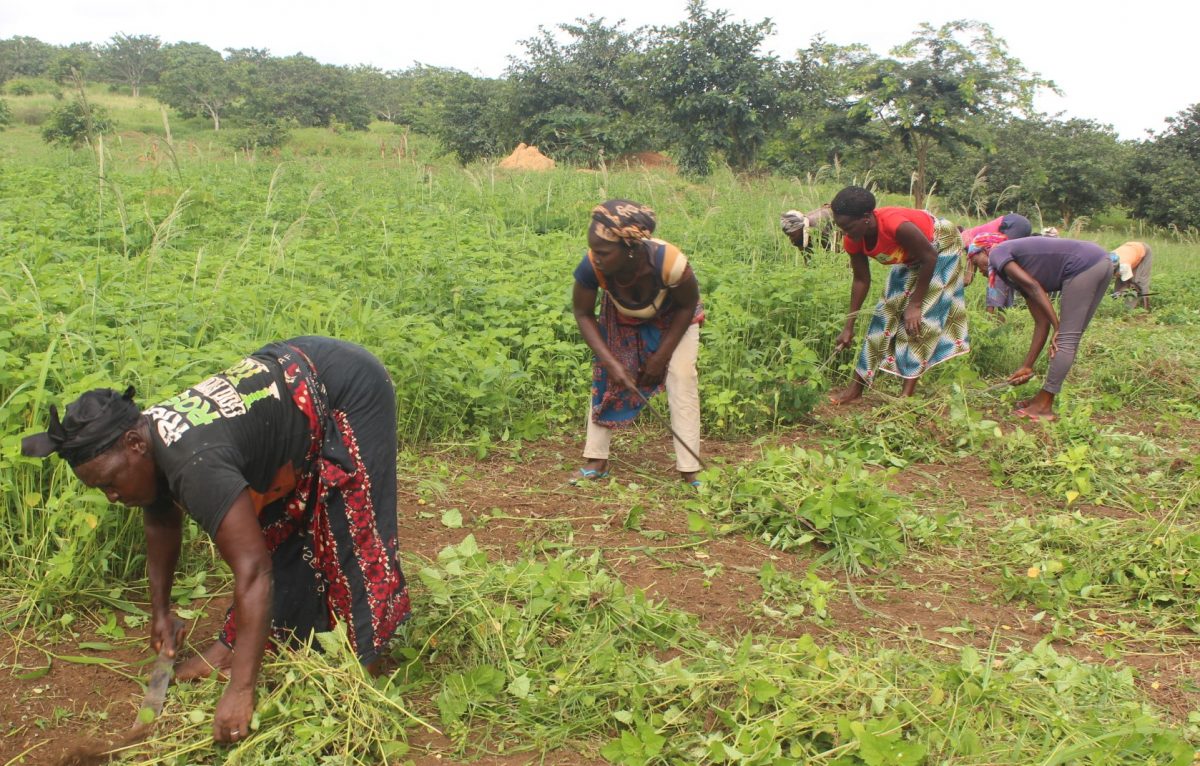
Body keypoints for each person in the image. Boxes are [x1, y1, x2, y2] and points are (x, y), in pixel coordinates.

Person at [22, 337, 411, 744]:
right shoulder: (147, 442)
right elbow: (160, 519)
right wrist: (160, 612)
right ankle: (236, 646)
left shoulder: (194, 465)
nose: (112, 496)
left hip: (346, 386)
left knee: (350, 520)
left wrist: (241, 692)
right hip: (291, 391)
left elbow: (254, 571)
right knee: (276, 525)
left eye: (110, 483)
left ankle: (364, 662)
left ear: (135, 445)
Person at [572, 199, 704, 485]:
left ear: (629, 249)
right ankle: (596, 459)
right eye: (594, 250)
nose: (596, 257)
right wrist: (611, 362)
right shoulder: (592, 265)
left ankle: (690, 467)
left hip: (675, 318)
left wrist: (660, 358)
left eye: (604, 252)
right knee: (607, 376)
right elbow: (582, 313)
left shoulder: (670, 262)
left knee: (682, 375)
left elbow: (687, 305)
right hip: (623, 316)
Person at [827, 186, 970, 403]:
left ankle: (906, 396)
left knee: (920, 320)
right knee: (884, 313)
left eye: (848, 227)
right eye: (841, 228)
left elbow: (929, 258)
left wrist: (915, 304)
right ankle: (856, 389)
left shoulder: (897, 226)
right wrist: (849, 325)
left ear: (866, 217)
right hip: (913, 257)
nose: (845, 234)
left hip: (941, 247)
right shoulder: (853, 239)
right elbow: (861, 280)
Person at [967, 238, 1112, 420]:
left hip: (1083, 265)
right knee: (1069, 337)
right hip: (1100, 262)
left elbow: (1034, 287)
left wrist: (1057, 327)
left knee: (1065, 338)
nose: (979, 270)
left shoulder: (997, 253)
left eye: (975, 262)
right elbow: (1041, 322)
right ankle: (1043, 398)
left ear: (984, 251)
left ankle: (1043, 406)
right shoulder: (1015, 271)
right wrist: (1027, 366)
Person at [959, 213, 1034, 313]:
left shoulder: (967, 240)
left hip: (1013, 224)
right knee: (1007, 272)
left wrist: (949, 287)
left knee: (999, 274)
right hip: (1021, 224)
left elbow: (968, 279)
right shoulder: (978, 239)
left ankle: (994, 314)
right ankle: (1003, 311)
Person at [1109, 241, 1153, 310]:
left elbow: (1131, 285)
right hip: (1131, 249)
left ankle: (1145, 309)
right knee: (1120, 282)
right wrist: (1118, 293)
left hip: (1143, 251)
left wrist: (1121, 291)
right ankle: (1115, 307)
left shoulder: (1124, 266)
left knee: (1138, 283)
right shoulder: (1106, 260)